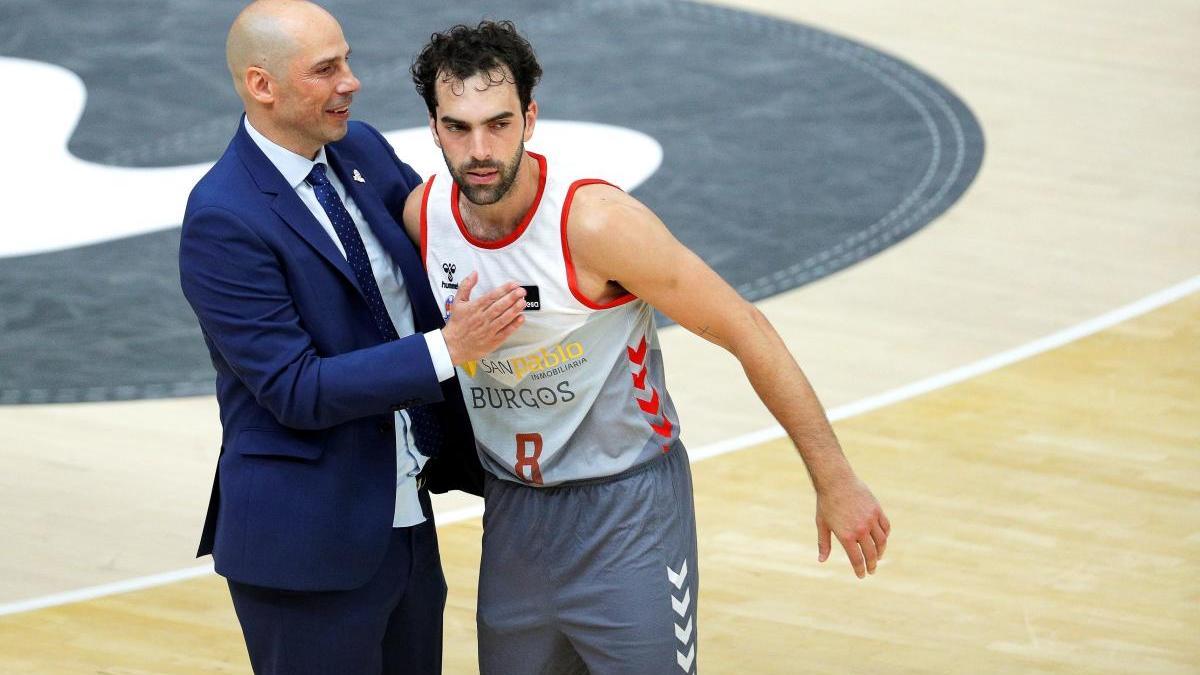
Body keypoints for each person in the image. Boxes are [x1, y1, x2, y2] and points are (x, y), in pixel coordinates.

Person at [403, 20, 892, 674]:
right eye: (458, 128)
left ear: (531, 119)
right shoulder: (423, 217)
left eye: (498, 123)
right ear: (433, 128)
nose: (480, 147)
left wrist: (834, 477)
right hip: (514, 513)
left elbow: (746, 326)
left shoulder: (596, 223)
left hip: (627, 510)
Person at [177, 3, 527, 673]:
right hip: (304, 547)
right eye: (327, 69)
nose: (352, 81)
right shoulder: (223, 218)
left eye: (347, 60)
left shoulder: (359, 148)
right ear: (262, 85)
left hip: (402, 517)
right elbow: (294, 388)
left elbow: (450, 237)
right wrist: (447, 349)